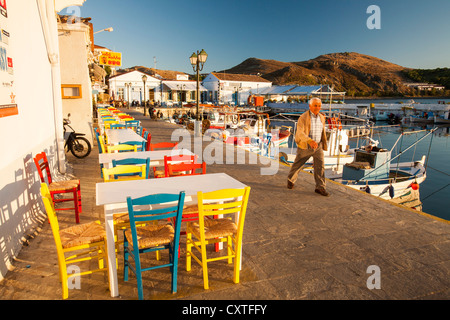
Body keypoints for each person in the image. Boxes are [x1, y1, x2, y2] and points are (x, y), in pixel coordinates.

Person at [287, 97, 330, 196]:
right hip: (306, 145)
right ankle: (291, 180)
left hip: (318, 146)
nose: (317, 108)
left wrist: (321, 143)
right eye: (315, 105)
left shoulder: (321, 117)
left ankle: (320, 187)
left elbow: (322, 132)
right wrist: (309, 141)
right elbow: (300, 133)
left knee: (320, 167)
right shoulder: (303, 117)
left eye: (319, 106)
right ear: (310, 106)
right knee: (298, 165)